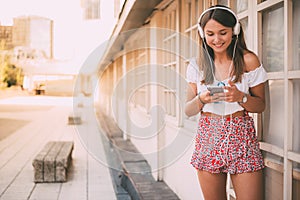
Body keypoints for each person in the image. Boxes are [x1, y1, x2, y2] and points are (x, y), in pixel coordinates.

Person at [185, 5, 267, 200]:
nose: (217, 39)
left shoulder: (249, 60)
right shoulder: (197, 65)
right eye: (210, 34)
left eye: (223, 33)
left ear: (235, 31)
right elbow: (188, 110)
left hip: (242, 137)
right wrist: (201, 99)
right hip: (209, 136)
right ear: (202, 34)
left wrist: (241, 97)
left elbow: (261, 106)